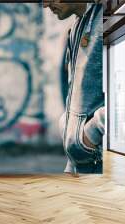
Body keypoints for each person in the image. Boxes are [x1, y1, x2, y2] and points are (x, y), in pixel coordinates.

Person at [44, 1, 105, 174]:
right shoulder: (78, 24)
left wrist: (91, 133)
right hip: (81, 163)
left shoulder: (104, 21)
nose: (45, 5)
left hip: (98, 162)